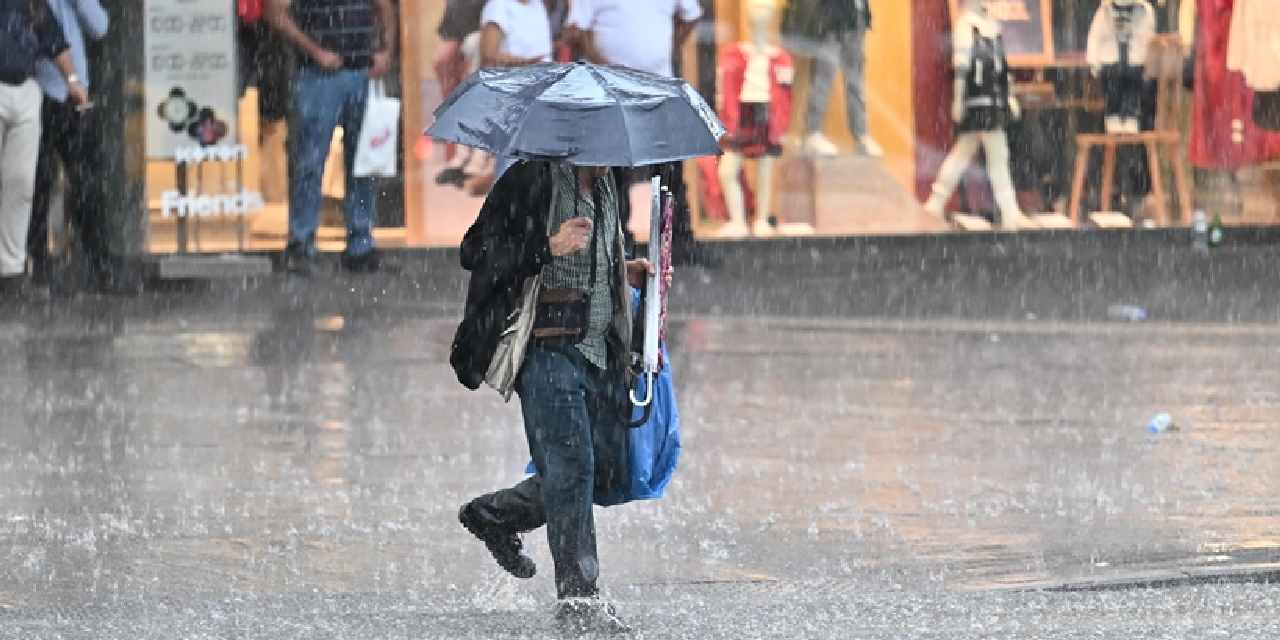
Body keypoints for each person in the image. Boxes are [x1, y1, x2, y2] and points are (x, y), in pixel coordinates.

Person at [452, 159, 652, 635]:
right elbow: (476, 249)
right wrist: (547, 246)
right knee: (571, 467)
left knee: (599, 469)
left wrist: (622, 271)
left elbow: (590, 263)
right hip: (547, 348)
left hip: (600, 350)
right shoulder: (532, 178)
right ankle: (580, 600)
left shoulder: (606, 184)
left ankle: (495, 515)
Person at [563, 0, 710, 265]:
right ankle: (618, 240)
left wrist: (666, 49)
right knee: (612, 171)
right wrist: (607, 68)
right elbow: (577, 31)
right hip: (610, 92)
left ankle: (677, 240)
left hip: (657, 88)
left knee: (668, 171)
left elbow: (690, 16)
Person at [265, 0, 396, 275]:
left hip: (355, 71)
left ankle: (357, 244)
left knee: (362, 162)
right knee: (311, 162)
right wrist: (315, 52)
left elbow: (384, 6)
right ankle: (305, 241)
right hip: (320, 74)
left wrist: (386, 50)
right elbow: (275, 12)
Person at [1, 0, 89, 295]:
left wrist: (73, 80)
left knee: (22, 184)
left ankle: (10, 271)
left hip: (25, 87)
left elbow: (53, 37)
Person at [28, 0, 110, 290]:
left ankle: (99, 263)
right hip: (37, 92)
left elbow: (100, 27)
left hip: (74, 96)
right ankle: (39, 265)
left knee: (87, 181)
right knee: (37, 185)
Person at [781, 0, 882, 157]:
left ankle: (861, 135)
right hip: (831, 21)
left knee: (855, 82)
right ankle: (812, 133)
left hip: (856, 18)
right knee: (823, 79)